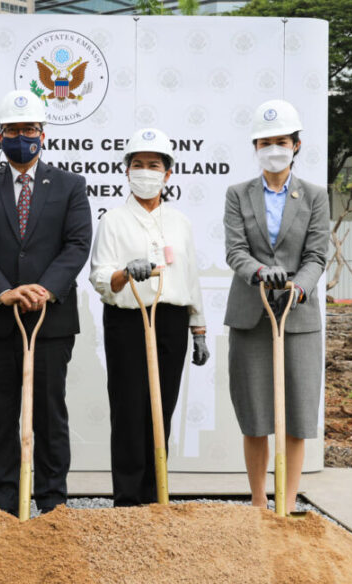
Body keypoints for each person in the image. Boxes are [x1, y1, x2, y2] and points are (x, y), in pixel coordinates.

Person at [0, 90, 92, 515]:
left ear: (43, 133)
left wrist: (44, 289)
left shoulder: (70, 186)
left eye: (29, 130)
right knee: (1, 417)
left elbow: (76, 245)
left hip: (50, 321)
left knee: (49, 415)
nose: (22, 136)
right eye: (13, 130)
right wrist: (5, 291)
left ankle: (53, 504)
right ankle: (4, 504)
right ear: (0, 136)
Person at [89, 128, 209, 507]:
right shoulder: (113, 221)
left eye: (153, 165)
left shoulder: (180, 222)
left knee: (162, 405)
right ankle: (127, 500)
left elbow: (190, 276)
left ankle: (155, 496)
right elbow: (99, 276)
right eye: (137, 164)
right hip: (128, 320)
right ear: (126, 172)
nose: (145, 172)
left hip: (170, 321)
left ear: (168, 174)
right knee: (128, 407)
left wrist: (199, 328)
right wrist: (125, 273)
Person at [223, 99, 328, 511]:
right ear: (255, 146)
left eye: (281, 141)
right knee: (255, 416)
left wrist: (298, 288)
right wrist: (257, 273)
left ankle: (285, 505)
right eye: (265, 142)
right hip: (252, 314)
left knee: (297, 417)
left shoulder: (315, 196)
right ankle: (258, 504)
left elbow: (317, 256)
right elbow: (234, 251)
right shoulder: (238, 194)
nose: (274, 149)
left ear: (296, 145)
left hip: (298, 317)